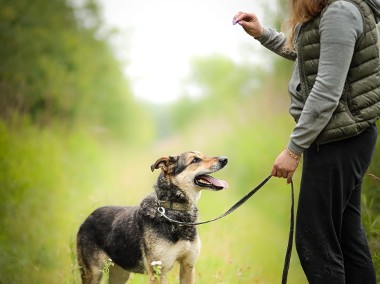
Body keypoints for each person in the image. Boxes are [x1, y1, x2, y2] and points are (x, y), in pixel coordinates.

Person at [233, 0, 380, 283]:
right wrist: (263, 33)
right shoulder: (333, 11)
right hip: (340, 136)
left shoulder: (340, 12)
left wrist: (293, 149)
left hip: (339, 140)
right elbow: (310, 54)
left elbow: (326, 91)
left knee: (315, 241)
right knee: (346, 238)